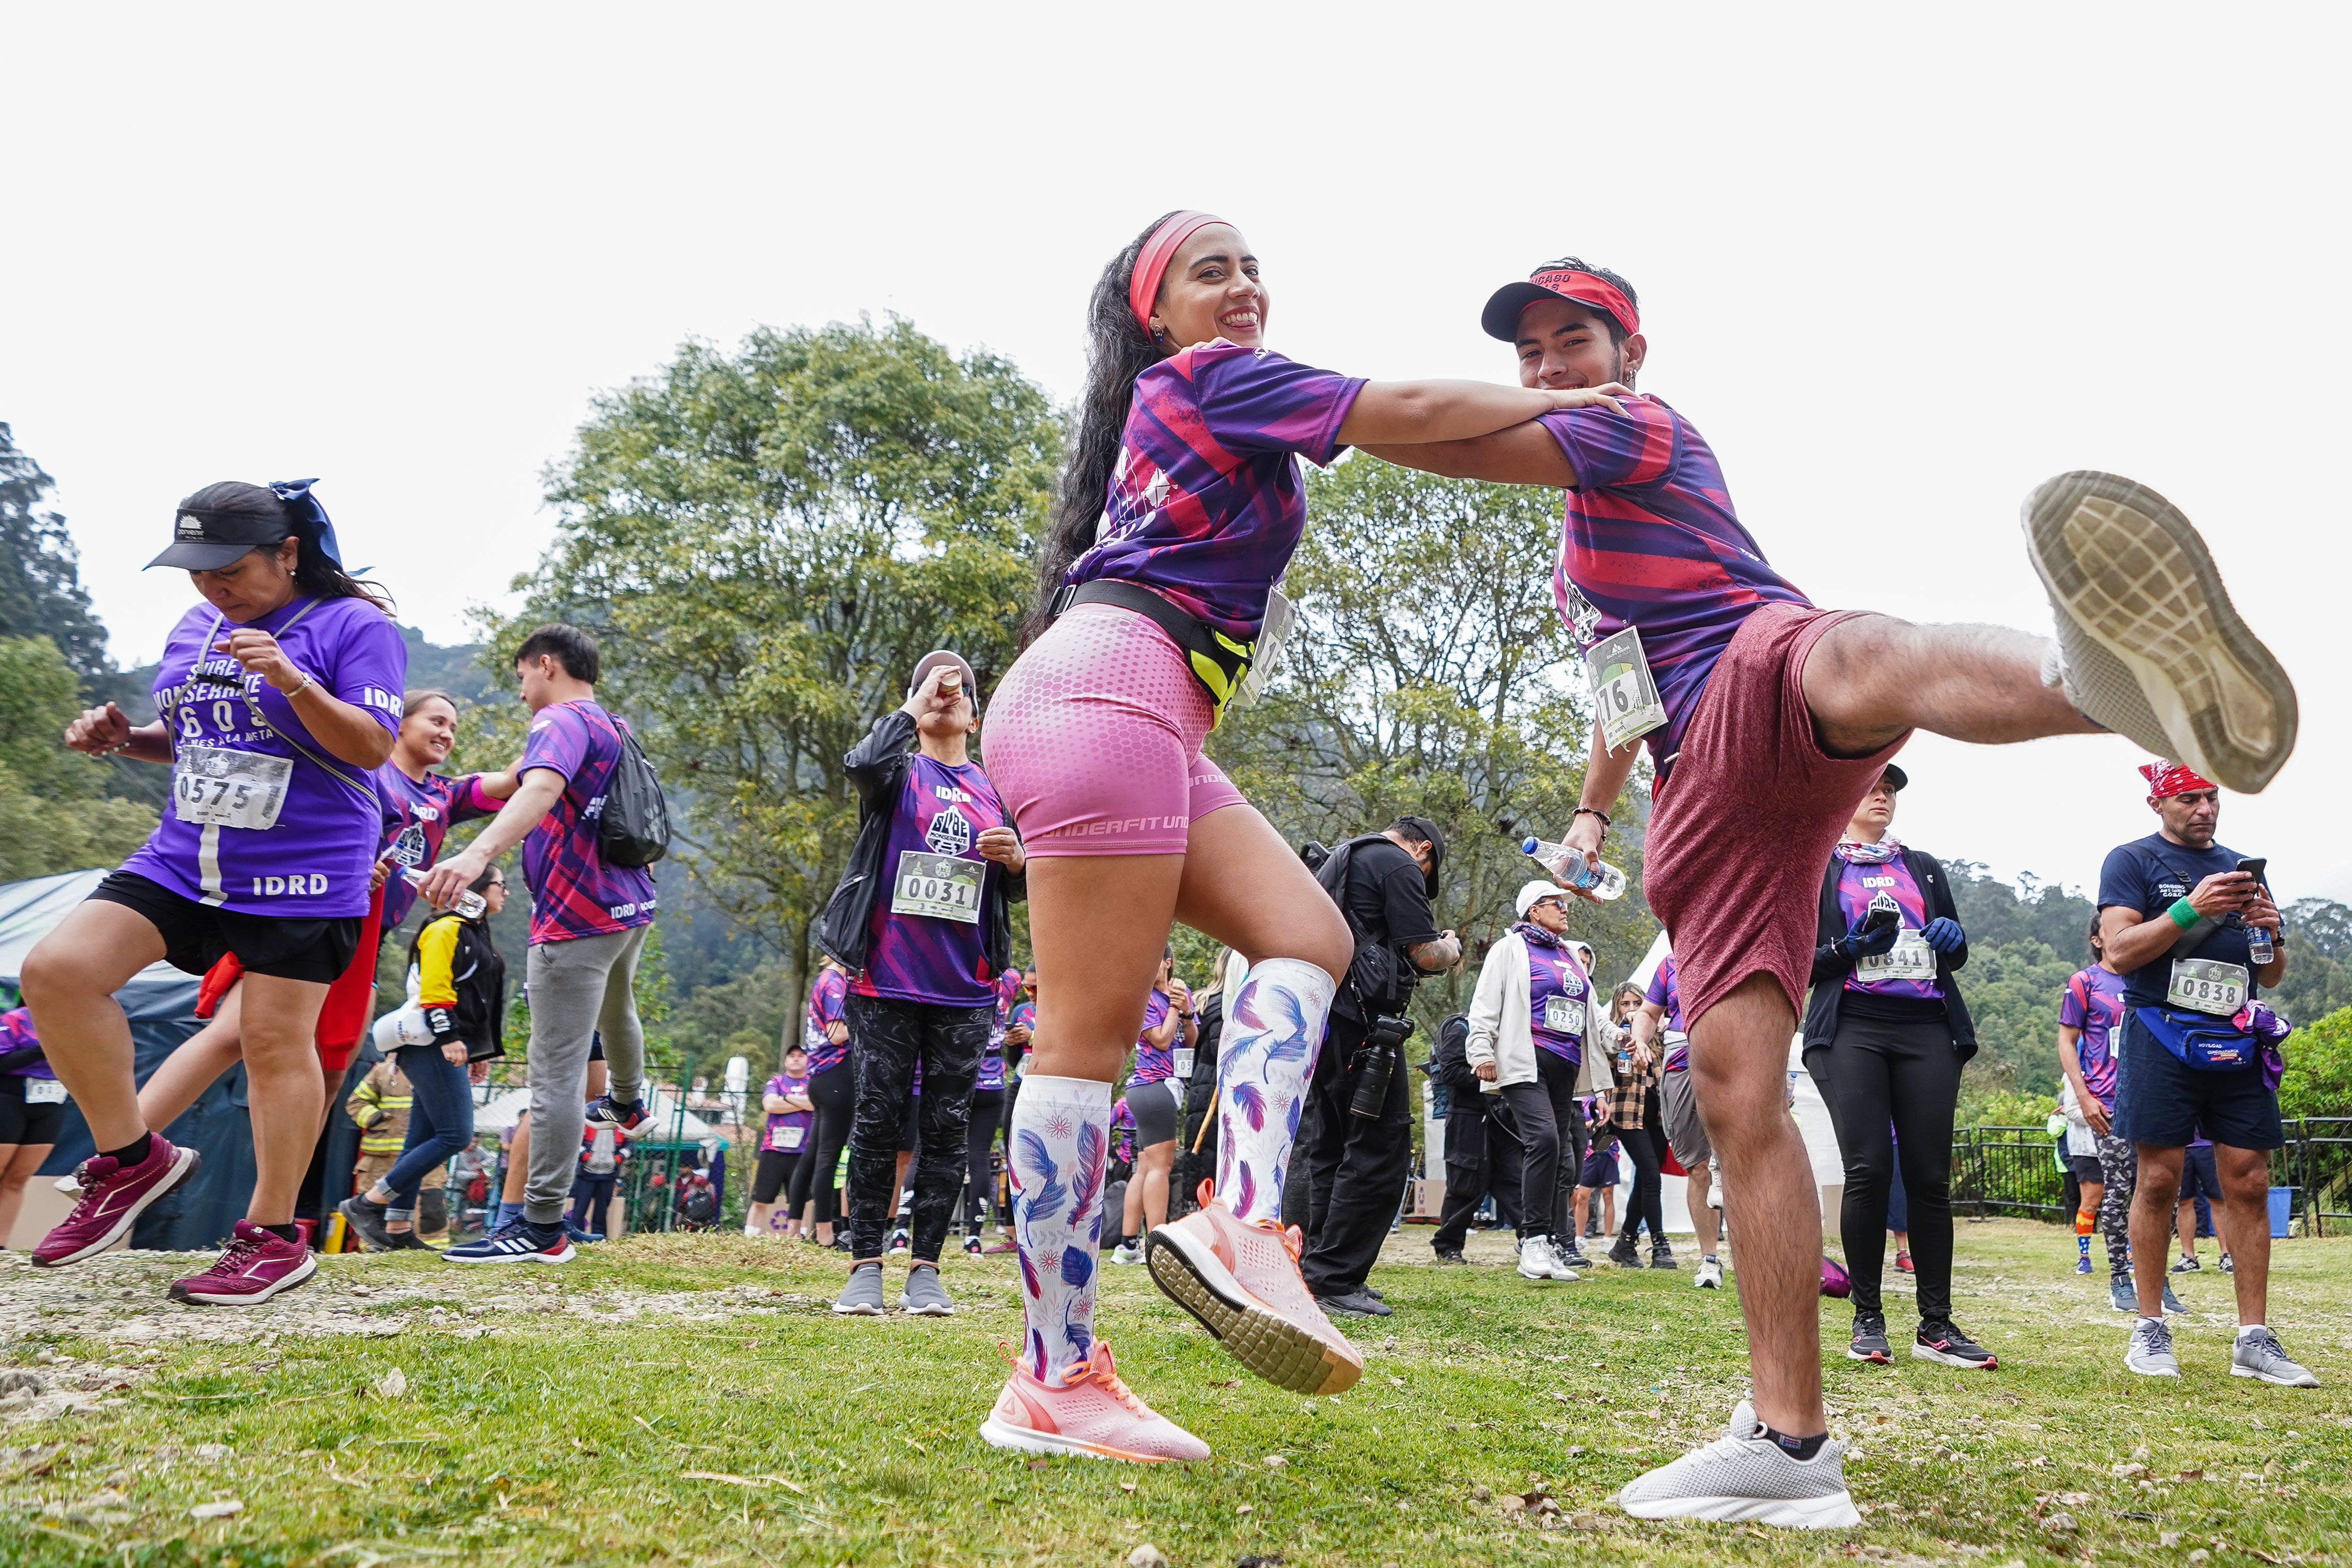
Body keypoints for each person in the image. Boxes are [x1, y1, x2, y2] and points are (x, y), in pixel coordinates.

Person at [1370, 255, 2296, 1524]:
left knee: (1855, 652)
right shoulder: (1578, 562)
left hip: (1756, 673)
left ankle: (2094, 680)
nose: (1542, 365)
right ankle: (1788, 1445)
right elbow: (1615, 691)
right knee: (1738, 1094)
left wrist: (1285, 404)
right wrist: (1591, 812)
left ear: (1626, 354)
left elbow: (1438, 427)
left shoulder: (1638, 430)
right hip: (1699, 797)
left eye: (1568, 338)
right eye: (1525, 348)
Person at [976, 213, 1618, 1462]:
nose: (1243, 285)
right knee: (1086, 1037)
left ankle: (1243, 1221)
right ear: (1152, 312)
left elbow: (1421, 437)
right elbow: (1408, 405)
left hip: (1145, 714)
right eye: (1209, 269)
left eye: (1251, 265)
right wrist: (1582, 410)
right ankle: (1052, 1378)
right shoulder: (1210, 377)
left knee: (1306, 935)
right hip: (1105, 694)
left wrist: (1584, 446)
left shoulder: (1204, 400)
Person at [25, 480, 406, 1303]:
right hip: (187, 858)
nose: (211, 587)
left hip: (306, 866)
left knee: (274, 1041)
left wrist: (297, 681)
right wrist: (127, 739)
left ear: (288, 553)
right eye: (196, 571)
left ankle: (272, 1236)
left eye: (229, 569)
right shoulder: (197, 626)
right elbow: (202, 737)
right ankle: (132, 1159)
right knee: (58, 970)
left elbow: (374, 745)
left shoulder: (355, 626)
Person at [428, 623, 658, 1265]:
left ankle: (541, 1224)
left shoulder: (558, 722)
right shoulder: (614, 724)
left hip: (576, 915)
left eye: (522, 675)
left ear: (546, 664)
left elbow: (540, 788)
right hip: (629, 902)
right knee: (619, 1009)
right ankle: (628, 1101)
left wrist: (474, 854)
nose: (522, 690)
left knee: (554, 1073)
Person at [816, 651, 1025, 1319]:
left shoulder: (997, 788)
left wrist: (1018, 860)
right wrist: (914, 707)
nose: (947, 694)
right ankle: (864, 1266)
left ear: (975, 711)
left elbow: (1022, 884)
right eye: (934, 687)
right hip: (884, 982)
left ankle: (927, 1271)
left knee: (948, 1130)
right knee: (875, 1122)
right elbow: (860, 762)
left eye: (959, 688)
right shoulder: (897, 772)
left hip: (966, 989)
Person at [2099, 761, 2312, 1386]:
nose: (2204, 809)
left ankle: (2253, 1337)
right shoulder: (2132, 861)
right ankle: (2148, 1325)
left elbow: (2269, 974)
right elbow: (2119, 952)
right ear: (2156, 803)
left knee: (2247, 1178)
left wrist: (2271, 936)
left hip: (2235, 1032)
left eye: (2211, 797)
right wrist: (2191, 910)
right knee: (2159, 1177)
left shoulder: (2242, 865)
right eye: (2189, 798)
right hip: (2160, 1033)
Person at [1801, 764, 1992, 1371]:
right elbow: (1796, 960)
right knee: (1868, 1167)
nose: (1881, 796)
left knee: (1929, 1177)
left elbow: (1955, 953)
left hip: (1927, 1028)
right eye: (1870, 787)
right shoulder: (1815, 865)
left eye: (1889, 789)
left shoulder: (1924, 866)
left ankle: (1935, 1326)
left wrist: (1949, 936)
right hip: (1851, 1027)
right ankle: (1867, 1318)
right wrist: (1847, 949)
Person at [1295, 819, 1459, 1319]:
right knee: (1380, 1146)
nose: (1421, 874)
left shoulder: (1338, 861)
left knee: (1330, 1148)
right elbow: (1424, 951)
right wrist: (1450, 948)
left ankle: (1315, 1269)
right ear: (1423, 848)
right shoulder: (1395, 862)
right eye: (1426, 868)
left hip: (1321, 1017)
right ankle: (1336, 1277)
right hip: (1365, 1027)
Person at [340, 862, 510, 1249]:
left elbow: (477, 999)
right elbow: (436, 985)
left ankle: (397, 1230)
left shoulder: (472, 930)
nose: (507, 892)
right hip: (429, 1040)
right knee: (456, 1134)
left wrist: (478, 1049)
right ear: (477, 888)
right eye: (501, 884)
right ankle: (368, 1203)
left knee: (423, 1136)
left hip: (445, 1041)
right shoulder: (446, 928)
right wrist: (450, 1035)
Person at [1466, 880, 1614, 1285]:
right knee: (1545, 1140)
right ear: (1533, 910)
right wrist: (1480, 1051)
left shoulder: (1570, 955)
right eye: (1556, 904)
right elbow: (1484, 1003)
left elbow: (1592, 1009)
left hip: (1566, 1065)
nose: (1565, 910)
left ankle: (1547, 1241)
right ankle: (1531, 1241)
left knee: (1561, 1155)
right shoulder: (1509, 949)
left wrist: (1619, 1037)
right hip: (1523, 1062)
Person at [2057, 915, 2135, 1291]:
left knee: (2162, 1190)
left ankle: (2159, 1275)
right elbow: (2066, 1042)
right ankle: (2120, 1273)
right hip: (2108, 1101)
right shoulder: (2085, 981)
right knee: (2117, 1189)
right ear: (2098, 939)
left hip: (2154, 1096)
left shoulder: (2149, 975)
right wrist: (2084, 1097)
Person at [1111, 949, 1194, 1265]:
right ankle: (1157, 1246)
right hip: (1151, 1087)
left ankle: (1128, 1246)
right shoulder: (1143, 999)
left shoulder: (1178, 995)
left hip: (1162, 1089)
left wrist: (1185, 1011)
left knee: (1145, 1168)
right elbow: (1161, 1039)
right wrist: (1174, 1007)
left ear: (1168, 962)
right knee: (1161, 1168)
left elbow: (1191, 1041)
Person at [1634, 954, 1714, 1283]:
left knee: (1742, 1164)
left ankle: (1756, 1253)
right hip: (1681, 1063)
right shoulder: (1670, 964)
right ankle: (1710, 1259)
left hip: (1736, 1060)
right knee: (1699, 1167)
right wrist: (1639, 1040)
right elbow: (1649, 1012)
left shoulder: (1737, 945)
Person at [1609, 964, 1672, 1268]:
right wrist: (1628, 1035)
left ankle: (1625, 1243)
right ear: (1617, 1008)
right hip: (1626, 1114)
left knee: (1648, 1177)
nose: (1633, 1009)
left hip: (1657, 1114)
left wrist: (1651, 1032)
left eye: (1638, 1003)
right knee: (1650, 1174)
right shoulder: (1613, 1036)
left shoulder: (1657, 1034)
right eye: (1626, 1004)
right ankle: (1660, 1246)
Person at [788, 958, 852, 1249]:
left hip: (822, 1077)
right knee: (829, 1157)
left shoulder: (831, 981)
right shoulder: (834, 982)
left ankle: (793, 1228)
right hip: (836, 1076)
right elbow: (837, 1033)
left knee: (813, 1156)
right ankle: (825, 1233)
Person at [961, 968, 1023, 1252]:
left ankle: (902, 1230)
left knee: (936, 1152)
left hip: (960, 1078)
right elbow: (1012, 972)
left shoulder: (961, 980)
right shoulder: (1006, 986)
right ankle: (973, 1236)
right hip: (992, 1082)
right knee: (980, 1158)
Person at [0, 1006, 65, 1248]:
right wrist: (43, 1048)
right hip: (9, 1099)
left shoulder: (82, 1019)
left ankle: (2, 1248)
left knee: (18, 1178)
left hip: (52, 1102)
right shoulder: (18, 1019)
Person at [747, 1044, 815, 1239]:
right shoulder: (776, 1081)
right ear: (785, 1061)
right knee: (761, 1198)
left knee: (803, 1198)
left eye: (801, 1056)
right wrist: (797, 1101)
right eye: (792, 1056)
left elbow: (813, 1104)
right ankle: (751, 1235)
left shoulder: (813, 1082)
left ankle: (799, 1235)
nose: (796, 1059)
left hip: (803, 1150)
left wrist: (784, 1100)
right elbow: (770, 1105)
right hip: (773, 1149)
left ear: (808, 1060)